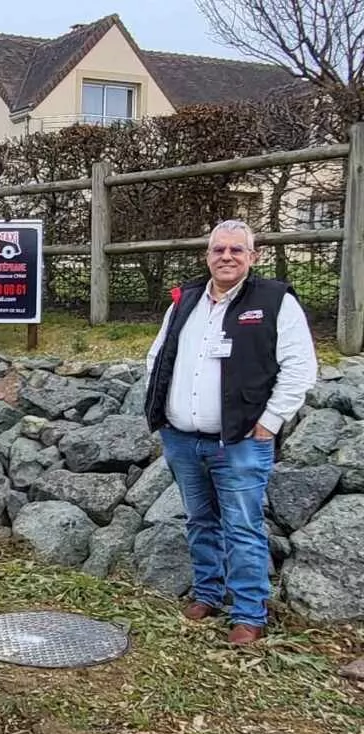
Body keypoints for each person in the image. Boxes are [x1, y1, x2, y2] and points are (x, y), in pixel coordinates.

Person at [144, 219, 318, 646]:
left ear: (252, 257)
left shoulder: (275, 301)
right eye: (218, 250)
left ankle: (248, 613)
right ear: (207, 256)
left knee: (243, 527)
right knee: (200, 520)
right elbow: (157, 356)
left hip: (240, 441)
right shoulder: (184, 300)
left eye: (236, 250)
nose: (226, 256)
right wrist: (163, 411)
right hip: (182, 438)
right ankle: (208, 593)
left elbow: (300, 368)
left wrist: (270, 420)